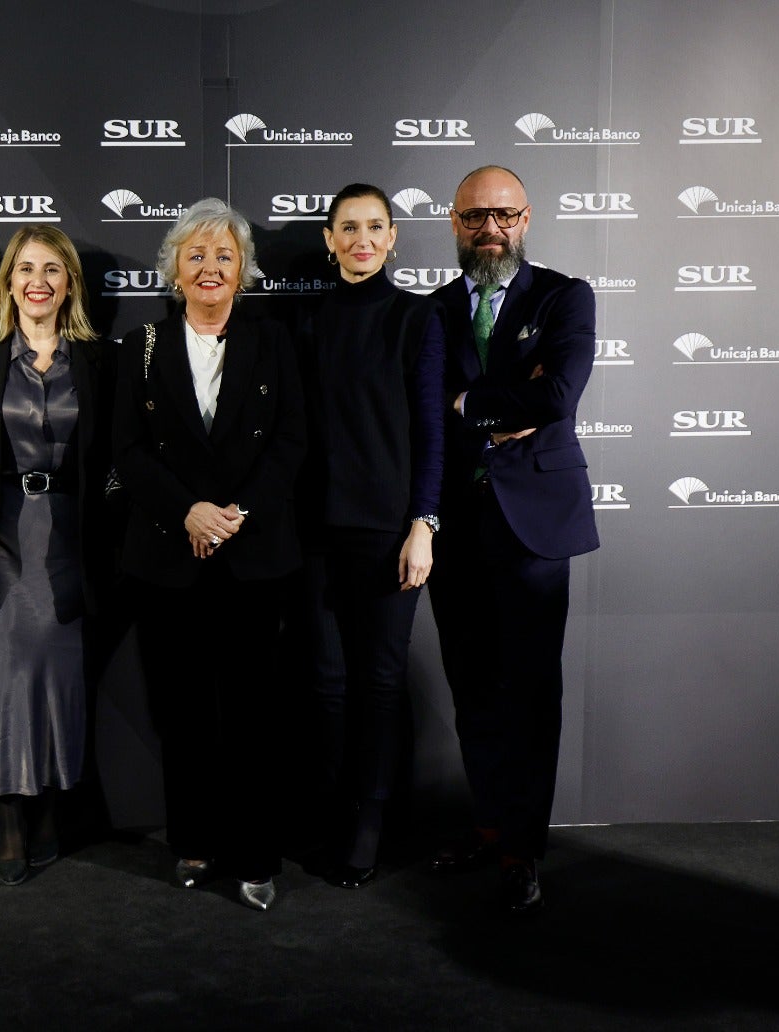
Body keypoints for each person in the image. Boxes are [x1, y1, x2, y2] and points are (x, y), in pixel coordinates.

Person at [112, 198, 305, 911]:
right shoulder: (142, 348)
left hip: (254, 560)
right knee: (184, 711)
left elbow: (291, 444)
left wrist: (233, 517)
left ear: (243, 270)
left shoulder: (276, 344)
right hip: (168, 559)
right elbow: (125, 453)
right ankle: (193, 842)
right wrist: (185, 510)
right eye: (195, 255)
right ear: (174, 270)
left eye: (224, 255)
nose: (210, 267)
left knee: (253, 715)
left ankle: (256, 856)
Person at [427, 165, 599, 914]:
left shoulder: (565, 296)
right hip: (457, 527)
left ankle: (524, 848)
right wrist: (499, 401)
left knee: (530, 691)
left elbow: (556, 396)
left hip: (534, 523)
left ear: (526, 218)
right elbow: (423, 407)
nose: (489, 228)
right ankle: (491, 827)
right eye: (474, 218)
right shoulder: (430, 312)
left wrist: (469, 400)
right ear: (454, 223)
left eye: (503, 215)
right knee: (473, 690)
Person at [295, 183, 444, 890]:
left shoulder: (417, 318)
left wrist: (424, 523)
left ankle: (370, 823)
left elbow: (432, 432)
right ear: (329, 239)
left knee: (380, 683)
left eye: (373, 227)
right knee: (326, 685)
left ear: (392, 239)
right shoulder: (306, 321)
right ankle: (327, 812)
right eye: (347, 227)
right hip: (315, 533)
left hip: (389, 532)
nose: (360, 239)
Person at [0, 226, 110, 886]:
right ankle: (7, 822)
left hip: (69, 539)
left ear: (70, 283)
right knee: (1, 686)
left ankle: (51, 810)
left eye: (53, 269)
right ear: (8, 283)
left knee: (58, 685)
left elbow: (116, 460)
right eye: (26, 269)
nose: (39, 281)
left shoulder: (97, 362)